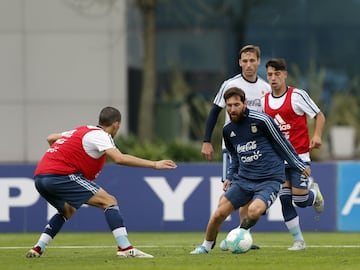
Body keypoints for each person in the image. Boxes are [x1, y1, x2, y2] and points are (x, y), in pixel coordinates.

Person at [26, 106, 177, 259]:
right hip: (61, 176)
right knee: (109, 201)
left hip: (40, 177)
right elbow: (119, 158)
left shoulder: (81, 130)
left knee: (67, 210)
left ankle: (38, 247)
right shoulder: (101, 135)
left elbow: (51, 138)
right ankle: (125, 248)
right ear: (116, 124)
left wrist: (62, 156)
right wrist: (155, 164)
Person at [190, 87, 310, 254]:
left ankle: (238, 234)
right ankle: (206, 246)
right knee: (219, 213)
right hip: (244, 180)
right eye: (229, 105)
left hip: (270, 179)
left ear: (244, 104)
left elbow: (282, 143)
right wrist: (230, 176)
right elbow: (235, 156)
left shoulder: (262, 120)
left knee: (254, 211)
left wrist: (298, 164)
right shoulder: (228, 130)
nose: (232, 109)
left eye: (236, 104)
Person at [201, 45, 271, 250]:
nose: (248, 65)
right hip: (233, 149)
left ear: (258, 61)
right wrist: (206, 140)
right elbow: (214, 112)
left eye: (252, 61)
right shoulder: (230, 84)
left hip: (257, 152)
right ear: (240, 62)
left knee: (248, 198)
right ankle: (212, 238)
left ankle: (241, 237)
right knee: (230, 193)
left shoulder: (265, 89)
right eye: (244, 61)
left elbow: (267, 122)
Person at [262, 58, 325, 250]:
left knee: (300, 199)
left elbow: (319, 115)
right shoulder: (265, 101)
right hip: (277, 159)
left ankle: (315, 195)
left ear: (285, 75)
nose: (273, 78)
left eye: (277, 74)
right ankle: (299, 241)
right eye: (270, 75)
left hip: (299, 157)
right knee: (284, 198)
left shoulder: (297, 95)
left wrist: (317, 135)